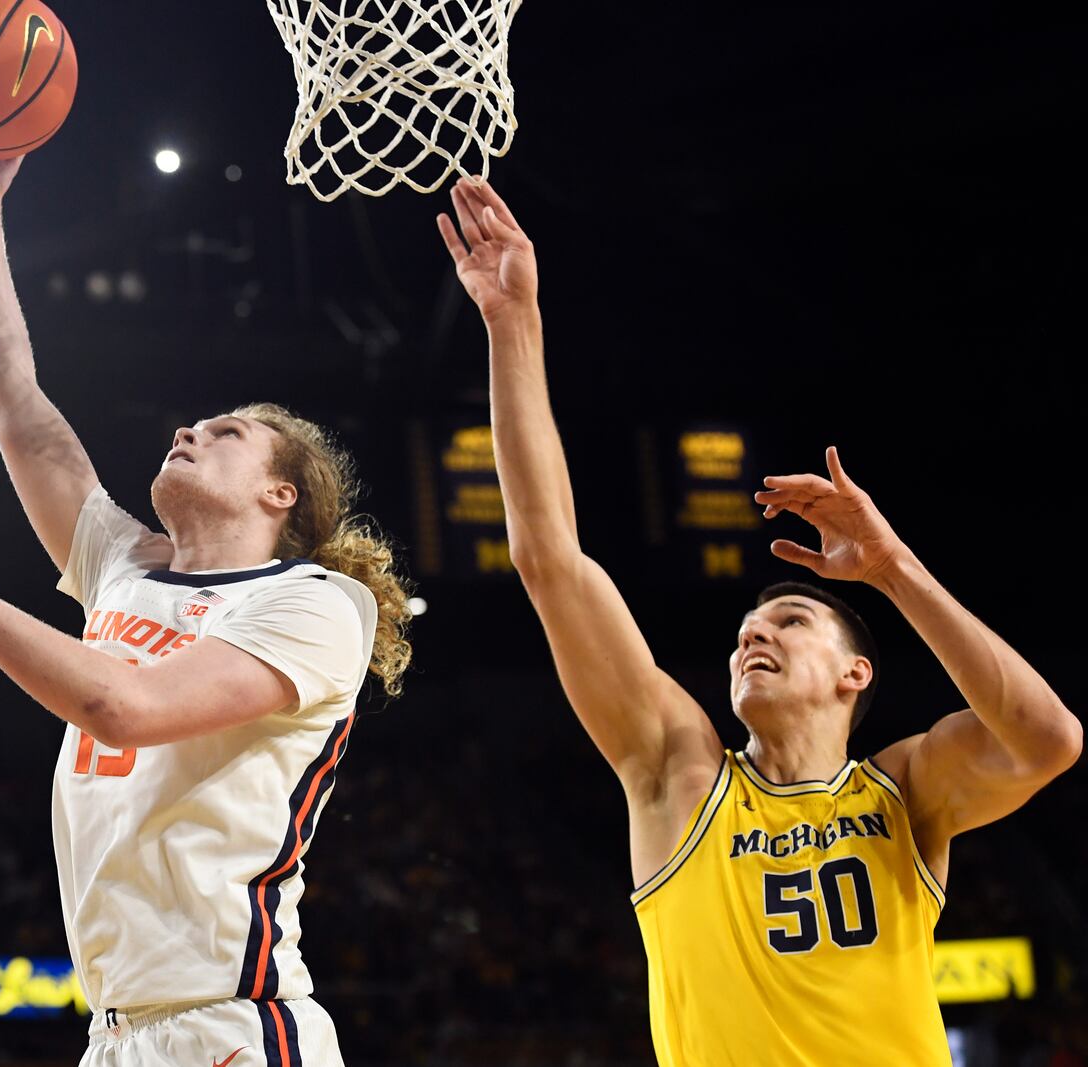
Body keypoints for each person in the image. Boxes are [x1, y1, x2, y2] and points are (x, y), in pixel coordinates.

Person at [437, 175, 1081, 1066]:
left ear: (857, 673)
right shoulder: (678, 772)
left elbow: (1048, 738)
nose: (752, 633)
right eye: (747, 626)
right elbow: (550, 560)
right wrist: (514, 324)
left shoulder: (908, 791)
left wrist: (894, 569)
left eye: (787, 617)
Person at [0, 115, 412, 1067]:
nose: (188, 430)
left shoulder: (318, 603)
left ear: (280, 492)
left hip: (234, 1024)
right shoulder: (125, 565)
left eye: (224, 432)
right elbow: (12, 401)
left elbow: (121, 705)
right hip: (117, 1034)